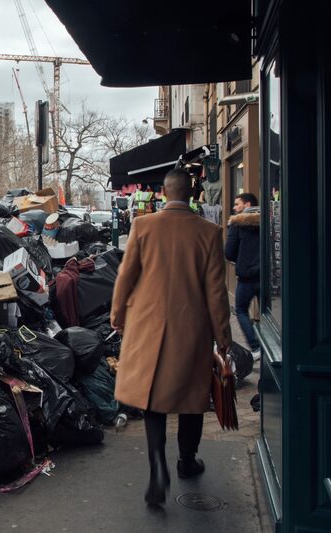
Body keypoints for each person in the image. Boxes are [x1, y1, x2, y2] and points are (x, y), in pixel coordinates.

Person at [110, 168, 231, 506]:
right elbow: (217, 292)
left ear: (162, 194)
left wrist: (117, 316)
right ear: (192, 195)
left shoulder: (143, 227)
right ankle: (186, 459)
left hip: (148, 327)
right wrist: (223, 336)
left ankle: (157, 467)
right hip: (191, 330)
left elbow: (125, 277)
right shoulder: (209, 232)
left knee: (153, 400)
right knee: (191, 398)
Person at [225, 192, 261, 360]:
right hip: (266, 277)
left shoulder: (237, 224)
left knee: (240, 310)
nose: (234, 208)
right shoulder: (269, 220)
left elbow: (229, 253)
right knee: (267, 315)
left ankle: (255, 347)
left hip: (246, 277)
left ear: (247, 205)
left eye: (237, 204)